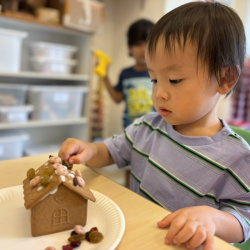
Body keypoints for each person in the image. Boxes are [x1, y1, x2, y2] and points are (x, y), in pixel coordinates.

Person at [59, 2, 250, 249]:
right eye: (154, 79)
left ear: (225, 79)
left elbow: (244, 220)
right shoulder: (147, 127)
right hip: (138, 238)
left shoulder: (237, 157)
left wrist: (213, 218)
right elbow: (110, 152)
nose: (159, 92)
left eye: (174, 80)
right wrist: (89, 150)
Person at [103, 19, 155, 128]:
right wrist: (105, 77)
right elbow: (117, 99)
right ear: (129, 47)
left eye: (148, 43)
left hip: (154, 130)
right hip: (129, 129)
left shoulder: (159, 74)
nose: (143, 49)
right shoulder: (125, 73)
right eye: (138, 44)